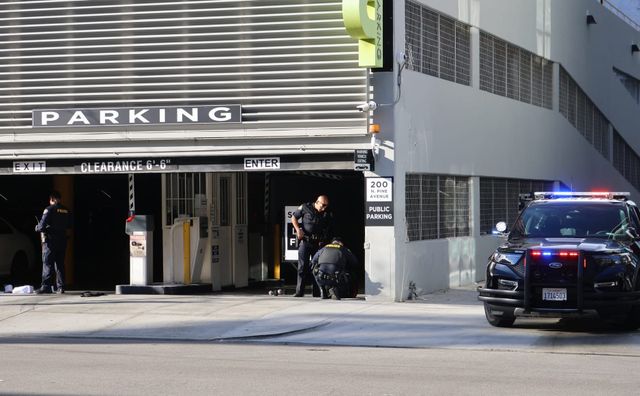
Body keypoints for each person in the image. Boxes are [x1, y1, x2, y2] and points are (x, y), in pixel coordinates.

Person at [291, 195, 333, 297]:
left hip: (317, 243)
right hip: (305, 241)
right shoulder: (305, 207)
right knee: (302, 267)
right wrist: (298, 230)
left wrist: (324, 239)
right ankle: (299, 292)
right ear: (317, 202)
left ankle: (317, 292)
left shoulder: (326, 213)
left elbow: (328, 227)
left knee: (317, 267)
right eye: (322, 205)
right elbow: (294, 217)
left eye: (326, 206)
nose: (323, 208)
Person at [35, 191, 72, 294]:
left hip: (50, 241)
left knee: (47, 263)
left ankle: (46, 286)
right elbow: (69, 225)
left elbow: (41, 226)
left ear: (52, 199)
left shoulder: (49, 209)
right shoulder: (66, 210)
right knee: (60, 264)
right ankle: (61, 287)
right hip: (62, 241)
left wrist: (37, 227)